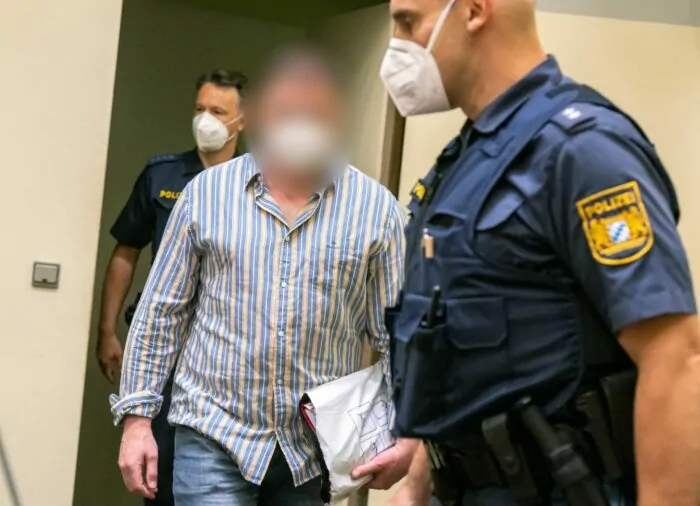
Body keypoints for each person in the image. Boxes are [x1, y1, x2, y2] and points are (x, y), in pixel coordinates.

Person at [379, 1, 700, 505]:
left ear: (475, 11)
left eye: (407, 22)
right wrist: (416, 486)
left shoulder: (581, 149)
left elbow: (676, 359)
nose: (396, 46)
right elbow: (447, 348)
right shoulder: (465, 159)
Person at [109, 46, 415, 506]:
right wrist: (137, 419)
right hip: (212, 432)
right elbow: (161, 314)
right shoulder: (206, 194)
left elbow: (400, 332)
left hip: (313, 449)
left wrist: (403, 431)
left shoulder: (377, 212)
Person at [96, 68, 248, 506]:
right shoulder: (163, 175)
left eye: (218, 111)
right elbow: (125, 251)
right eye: (200, 109)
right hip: (166, 349)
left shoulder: (259, 182)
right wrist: (107, 331)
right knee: (158, 474)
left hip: (225, 351)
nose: (206, 120)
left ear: (243, 121)